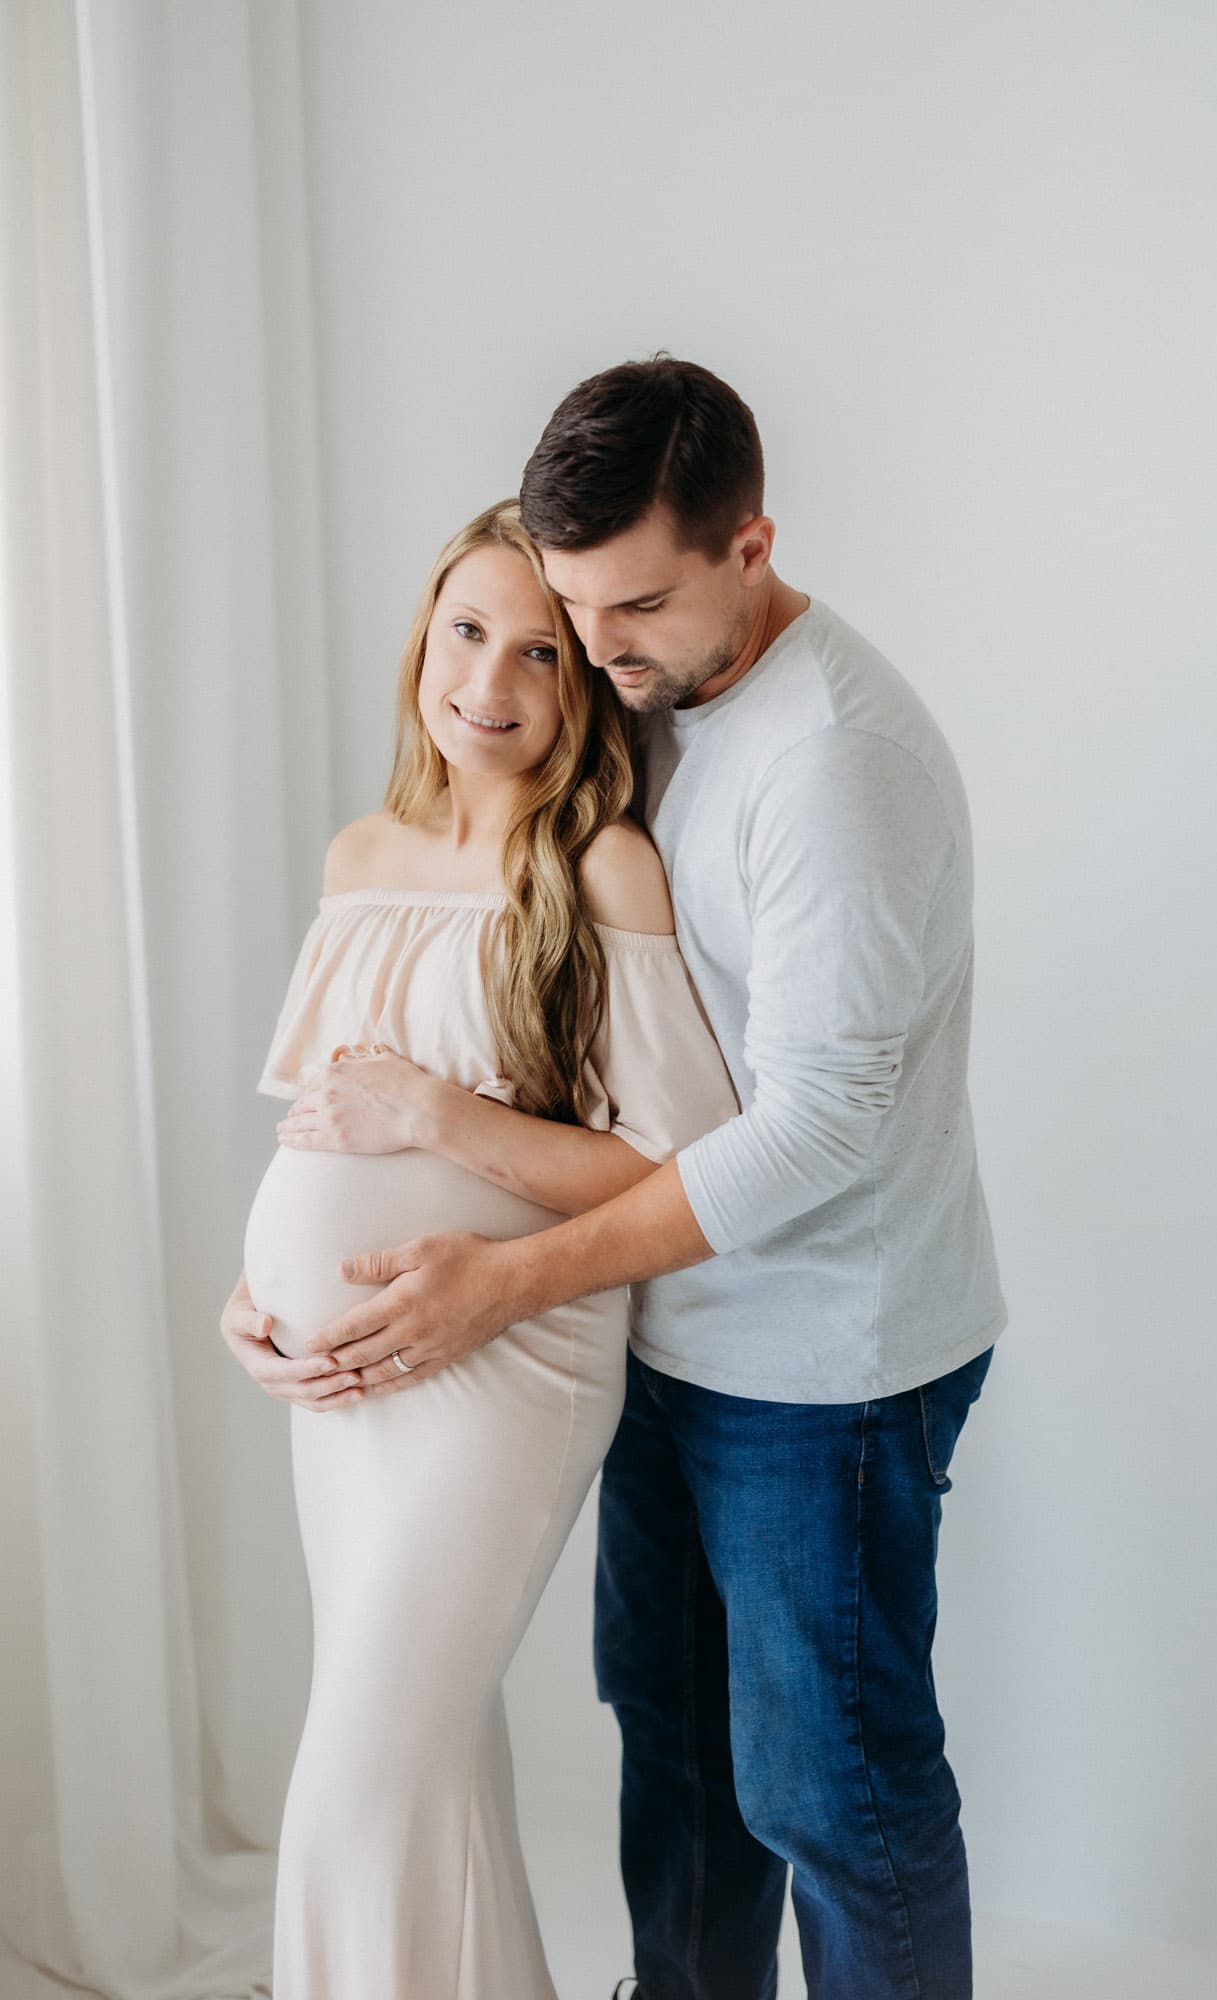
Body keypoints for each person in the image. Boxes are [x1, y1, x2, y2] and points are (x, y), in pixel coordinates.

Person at [274, 357, 1009, 2000]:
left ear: (752, 547)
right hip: (659, 1331)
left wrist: (511, 1275)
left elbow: (817, 1130)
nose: (598, 654)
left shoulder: (834, 759)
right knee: (673, 1759)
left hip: (823, 1359)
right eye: (572, 611)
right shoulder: (657, 693)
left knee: (831, 1790)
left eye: (635, 610)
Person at [219, 497, 739, 2000]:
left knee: (360, 1767)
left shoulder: (601, 871)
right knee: (422, 1758)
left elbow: (677, 1170)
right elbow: (320, 1128)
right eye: (465, 633)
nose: (488, 687)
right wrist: (255, 1290)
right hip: (344, 1383)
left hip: (505, 1365)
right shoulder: (362, 853)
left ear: (582, 684)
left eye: (537, 654)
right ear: (422, 637)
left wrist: (446, 1117)